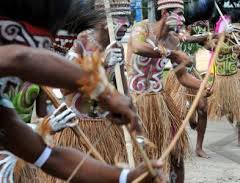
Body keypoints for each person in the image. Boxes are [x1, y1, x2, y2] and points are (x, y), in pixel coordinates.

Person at [0, 0, 164, 182]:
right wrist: (104, 92)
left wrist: (127, 177)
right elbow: (22, 59)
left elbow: (52, 159)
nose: (22, 78)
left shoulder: (4, 116)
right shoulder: (21, 58)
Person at [126, 0, 210, 182]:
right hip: (135, 102)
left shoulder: (172, 41)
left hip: (160, 102)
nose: (183, 18)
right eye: (179, 14)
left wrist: (202, 85)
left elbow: (183, 77)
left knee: (176, 154)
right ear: (165, 14)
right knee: (141, 157)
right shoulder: (143, 28)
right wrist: (172, 54)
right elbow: (139, 48)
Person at [165, 20, 213, 159]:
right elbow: (187, 38)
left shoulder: (197, 37)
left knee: (203, 109)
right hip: (177, 78)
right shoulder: (172, 35)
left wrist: (218, 38)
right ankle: (174, 144)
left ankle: (199, 147)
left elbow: (210, 45)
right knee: (177, 112)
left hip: (192, 75)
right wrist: (208, 34)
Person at [208, 20, 240, 148]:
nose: (239, 37)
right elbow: (221, 48)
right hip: (222, 81)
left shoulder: (239, 48)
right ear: (230, 33)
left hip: (235, 80)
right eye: (237, 33)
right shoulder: (219, 43)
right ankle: (232, 120)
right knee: (228, 111)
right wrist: (232, 45)